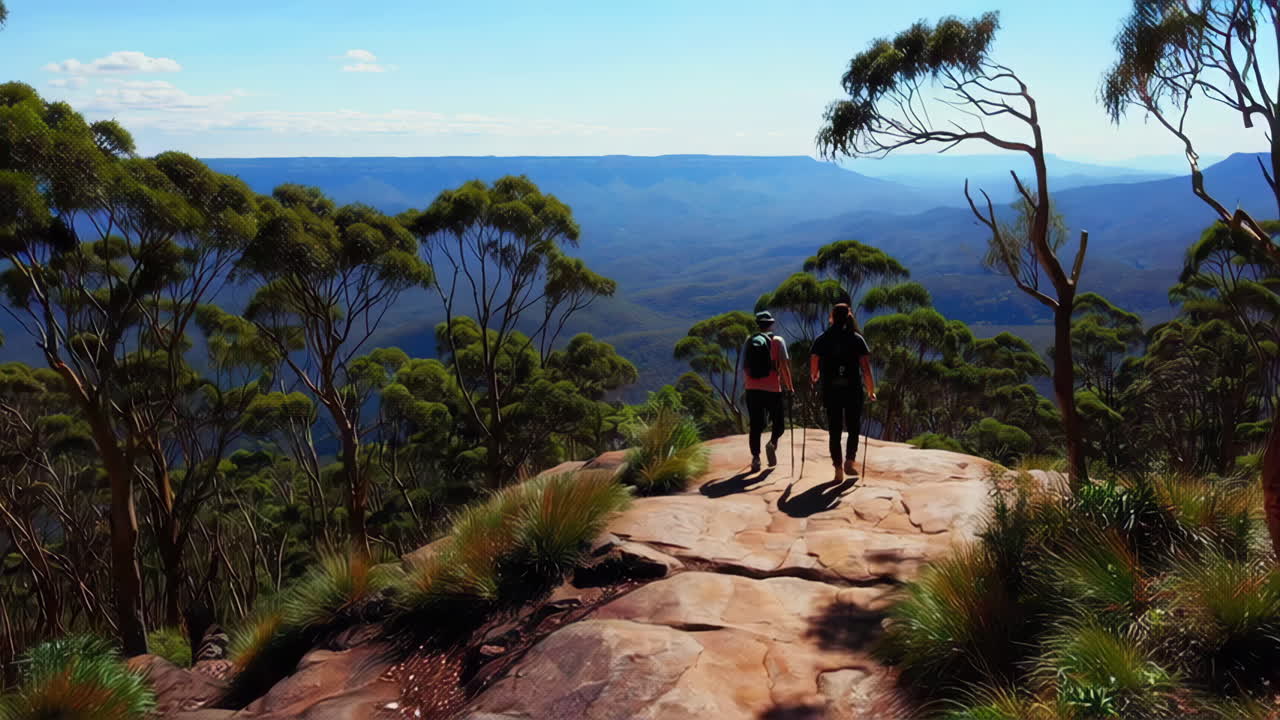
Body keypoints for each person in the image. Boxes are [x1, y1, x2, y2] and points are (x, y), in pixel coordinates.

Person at [809, 303, 877, 481]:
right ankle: (850, 460)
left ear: (832, 316)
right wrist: (871, 390)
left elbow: (814, 360)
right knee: (853, 427)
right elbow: (866, 369)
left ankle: (838, 467)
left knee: (835, 430)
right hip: (852, 390)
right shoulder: (856, 339)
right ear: (848, 317)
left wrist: (814, 375)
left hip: (831, 391)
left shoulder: (822, 339)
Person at [744, 311, 794, 472]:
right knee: (779, 424)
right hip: (773, 389)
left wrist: (751, 383)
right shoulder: (778, 341)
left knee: (756, 425)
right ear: (771, 324)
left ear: (758, 324)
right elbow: (784, 367)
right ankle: (772, 443)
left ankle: (756, 458)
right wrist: (790, 387)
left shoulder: (749, 341)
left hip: (752, 389)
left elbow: (744, 367)